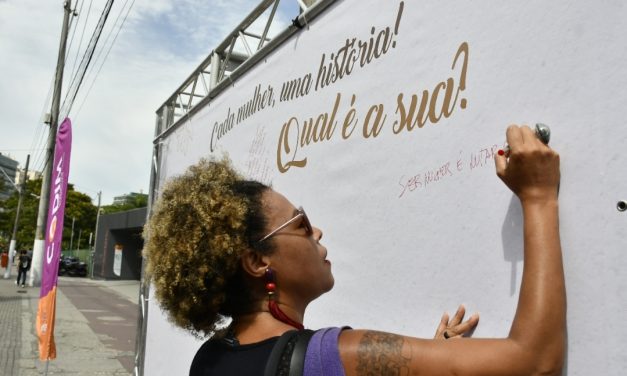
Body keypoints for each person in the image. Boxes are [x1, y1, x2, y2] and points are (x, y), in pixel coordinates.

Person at [143, 125, 565, 375]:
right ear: (257, 261)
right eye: (302, 225)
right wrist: (538, 198)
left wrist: (429, 356)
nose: (317, 232)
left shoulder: (210, 359)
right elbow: (535, 360)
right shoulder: (334, 357)